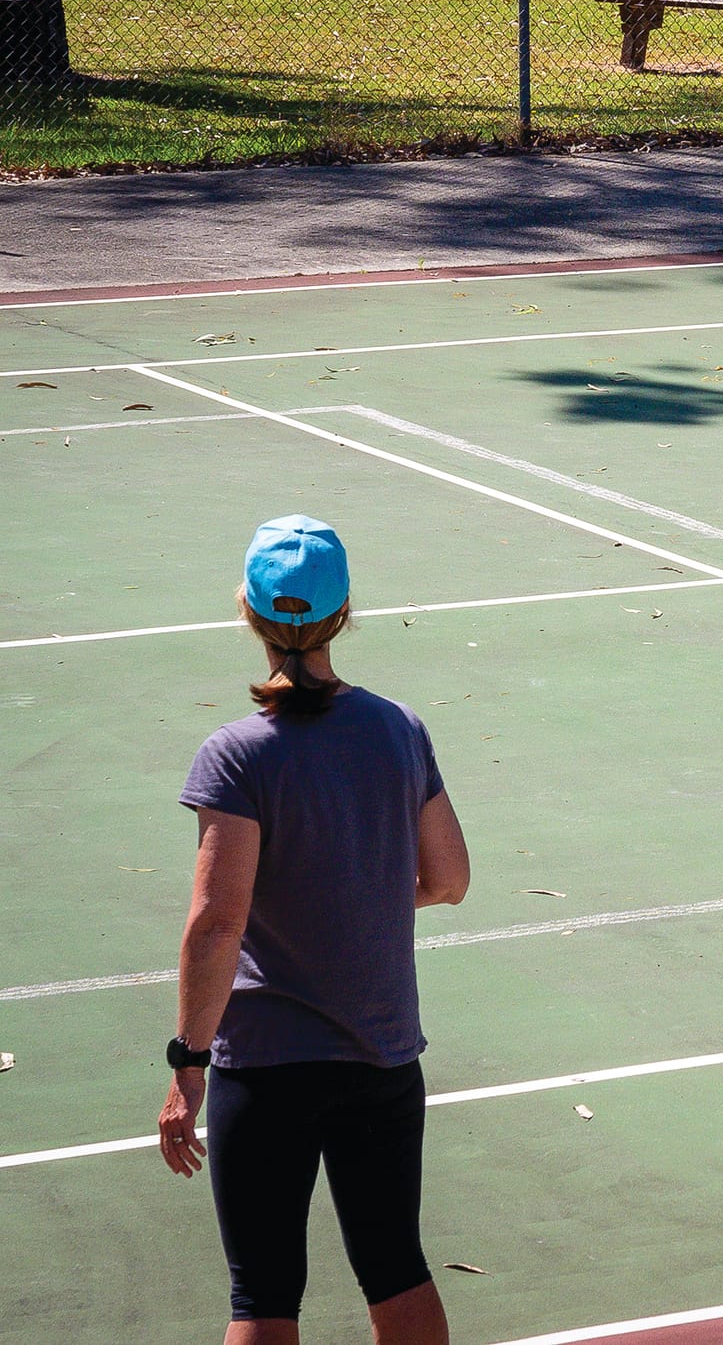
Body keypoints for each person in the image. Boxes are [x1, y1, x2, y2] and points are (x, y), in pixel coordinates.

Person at [158, 515, 471, 1345]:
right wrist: (355, 888)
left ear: (250, 615)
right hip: (382, 1057)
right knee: (396, 1269)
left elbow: (217, 924)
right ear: (342, 614)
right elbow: (449, 880)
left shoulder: (237, 754)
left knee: (261, 1294)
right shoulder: (399, 729)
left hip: (267, 1066)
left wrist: (187, 1061)